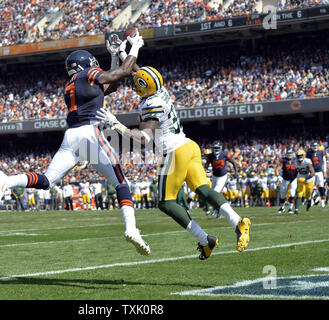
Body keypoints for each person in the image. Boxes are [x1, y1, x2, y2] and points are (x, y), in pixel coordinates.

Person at [0, 33, 150, 256]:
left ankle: (7, 181)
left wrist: (114, 55)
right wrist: (135, 49)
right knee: (122, 183)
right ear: (86, 64)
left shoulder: (71, 85)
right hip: (90, 134)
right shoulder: (90, 74)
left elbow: (110, 86)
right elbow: (123, 73)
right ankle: (131, 228)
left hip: (71, 137)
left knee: (47, 180)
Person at [96, 46, 250, 259]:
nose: (133, 84)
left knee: (166, 202)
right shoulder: (159, 91)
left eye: (136, 84)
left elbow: (143, 139)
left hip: (174, 152)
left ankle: (206, 240)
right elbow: (139, 74)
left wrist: (117, 125)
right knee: (203, 190)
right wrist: (123, 53)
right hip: (190, 146)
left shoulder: (151, 104)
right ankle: (238, 222)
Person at [205, 140, 240, 217]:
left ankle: (216, 209)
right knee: (216, 194)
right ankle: (220, 210)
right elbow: (206, 165)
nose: (216, 149)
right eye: (215, 148)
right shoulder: (210, 156)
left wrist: (236, 172)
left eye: (217, 148)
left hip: (222, 177)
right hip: (214, 177)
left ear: (220, 148)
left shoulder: (225, 154)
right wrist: (205, 170)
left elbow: (233, 162)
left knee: (215, 193)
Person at [294, 149, 316, 213]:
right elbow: (295, 172)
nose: (300, 157)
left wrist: (306, 179)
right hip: (301, 179)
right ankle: (296, 210)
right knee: (299, 194)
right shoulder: (295, 162)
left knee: (308, 196)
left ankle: (309, 203)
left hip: (309, 179)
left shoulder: (307, 161)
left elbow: (313, 173)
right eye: (298, 156)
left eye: (301, 156)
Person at [306, 141, 327, 207]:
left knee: (321, 186)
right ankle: (311, 201)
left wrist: (325, 171)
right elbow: (307, 162)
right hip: (312, 172)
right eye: (314, 146)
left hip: (319, 171)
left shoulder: (321, 152)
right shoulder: (309, 153)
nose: (315, 147)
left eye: (316, 146)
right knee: (310, 187)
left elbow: (324, 161)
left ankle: (322, 200)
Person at [277, 149, 298, 214]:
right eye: (289, 153)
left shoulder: (296, 160)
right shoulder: (284, 160)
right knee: (283, 194)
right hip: (285, 179)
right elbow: (278, 168)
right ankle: (282, 207)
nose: (290, 155)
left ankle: (290, 208)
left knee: (292, 193)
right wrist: (278, 176)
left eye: (291, 153)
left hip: (293, 179)